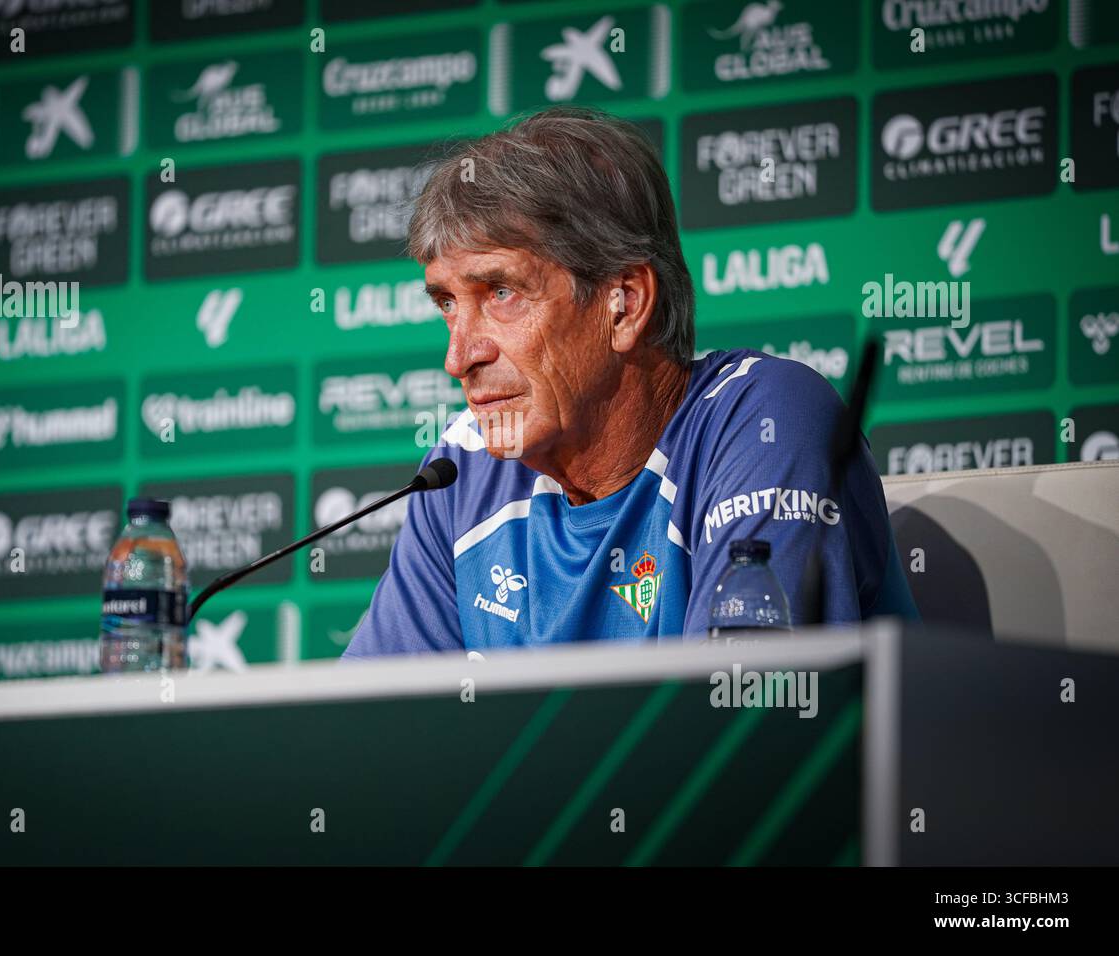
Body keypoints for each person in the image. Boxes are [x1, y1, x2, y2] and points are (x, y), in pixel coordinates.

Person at [343, 106, 917, 657]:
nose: (459, 356)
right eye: (447, 302)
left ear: (625, 305)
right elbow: (370, 737)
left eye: (500, 292)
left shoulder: (767, 419)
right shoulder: (462, 468)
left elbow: (741, 729)